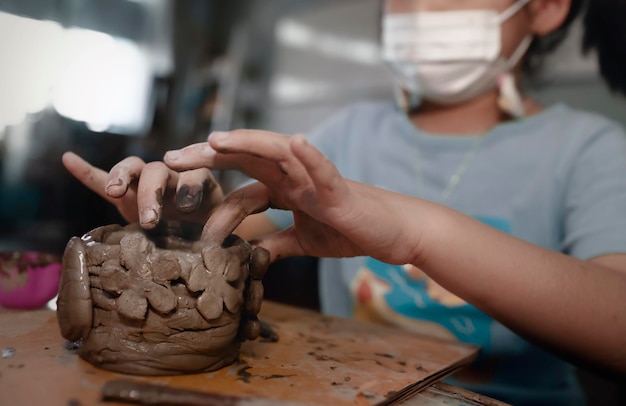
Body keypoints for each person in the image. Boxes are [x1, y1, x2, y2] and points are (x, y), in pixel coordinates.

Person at [62, 0, 626, 404]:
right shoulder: (347, 134)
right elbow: (237, 236)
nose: (418, 9)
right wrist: (183, 225)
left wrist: (418, 234)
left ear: (548, 6)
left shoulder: (590, 150)